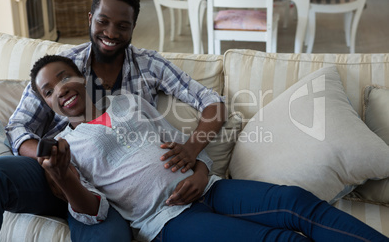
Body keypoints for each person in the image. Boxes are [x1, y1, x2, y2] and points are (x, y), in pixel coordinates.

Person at [30, 54, 389, 242]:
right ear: (48, 105)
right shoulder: (67, 148)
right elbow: (93, 210)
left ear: (80, 76)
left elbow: (181, 145)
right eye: (48, 91)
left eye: (63, 76)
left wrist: (201, 172)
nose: (59, 88)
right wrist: (64, 179)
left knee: (298, 202)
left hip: (211, 188)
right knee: (278, 240)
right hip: (165, 218)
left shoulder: (128, 101)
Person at [0, 0, 226, 242]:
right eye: (102, 22)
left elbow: (211, 101)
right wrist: (51, 160)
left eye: (122, 26)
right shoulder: (64, 68)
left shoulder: (149, 65)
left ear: (133, 27)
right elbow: (18, 126)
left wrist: (192, 149)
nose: (110, 33)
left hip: (115, 194)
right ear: (90, 19)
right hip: (61, 171)